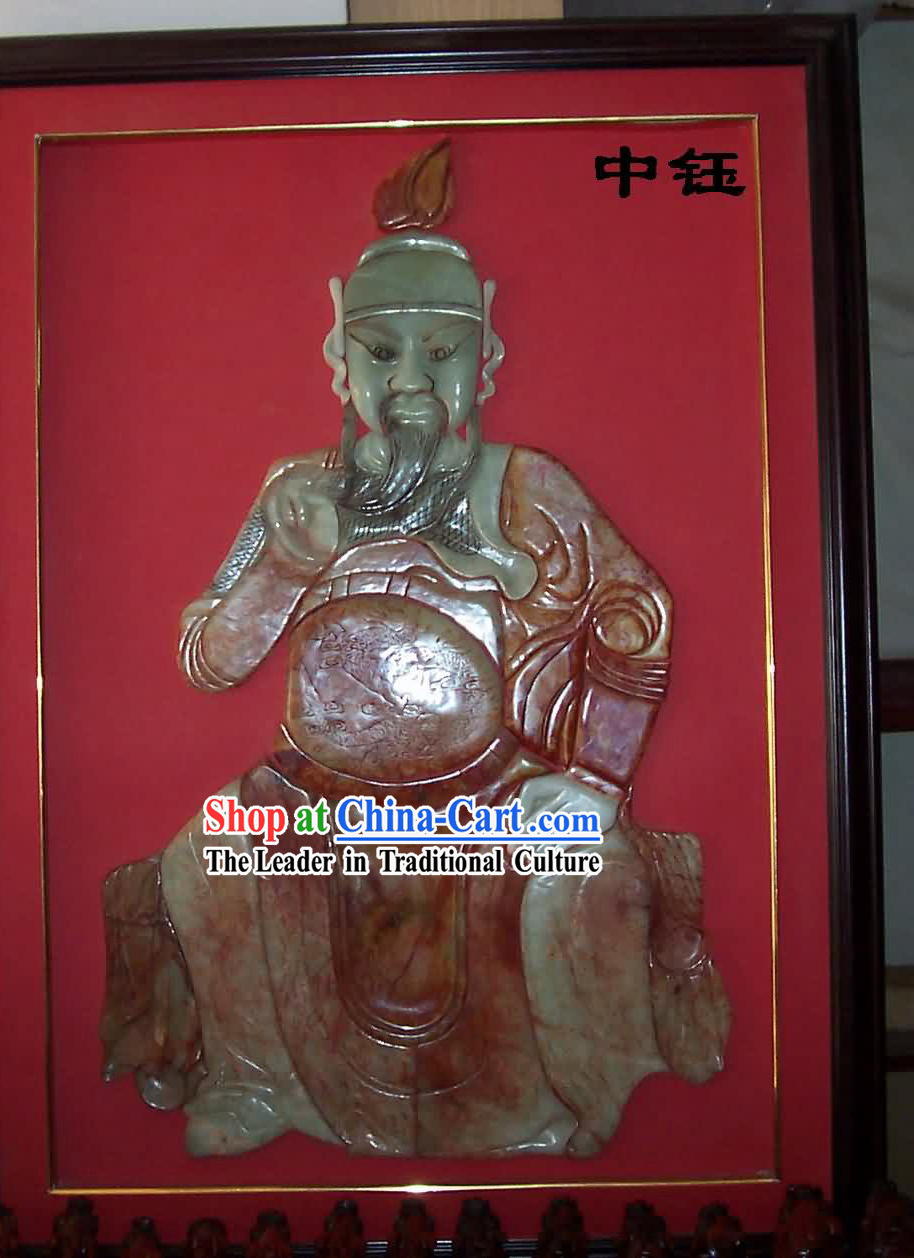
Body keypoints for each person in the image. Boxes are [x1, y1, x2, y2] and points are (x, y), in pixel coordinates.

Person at [100, 222, 729, 1161]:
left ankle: (557, 1094)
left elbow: (637, 614)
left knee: (582, 875)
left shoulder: (529, 488)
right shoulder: (298, 491)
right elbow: (207, 659)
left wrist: (596, 780)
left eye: (440, 354)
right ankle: (256, 1080)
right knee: (206, 862)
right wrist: (284, 566)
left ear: (487, 357)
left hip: (494, 796)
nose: (408, 382)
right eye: (379, 352)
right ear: (336, 358)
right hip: (315, 797)